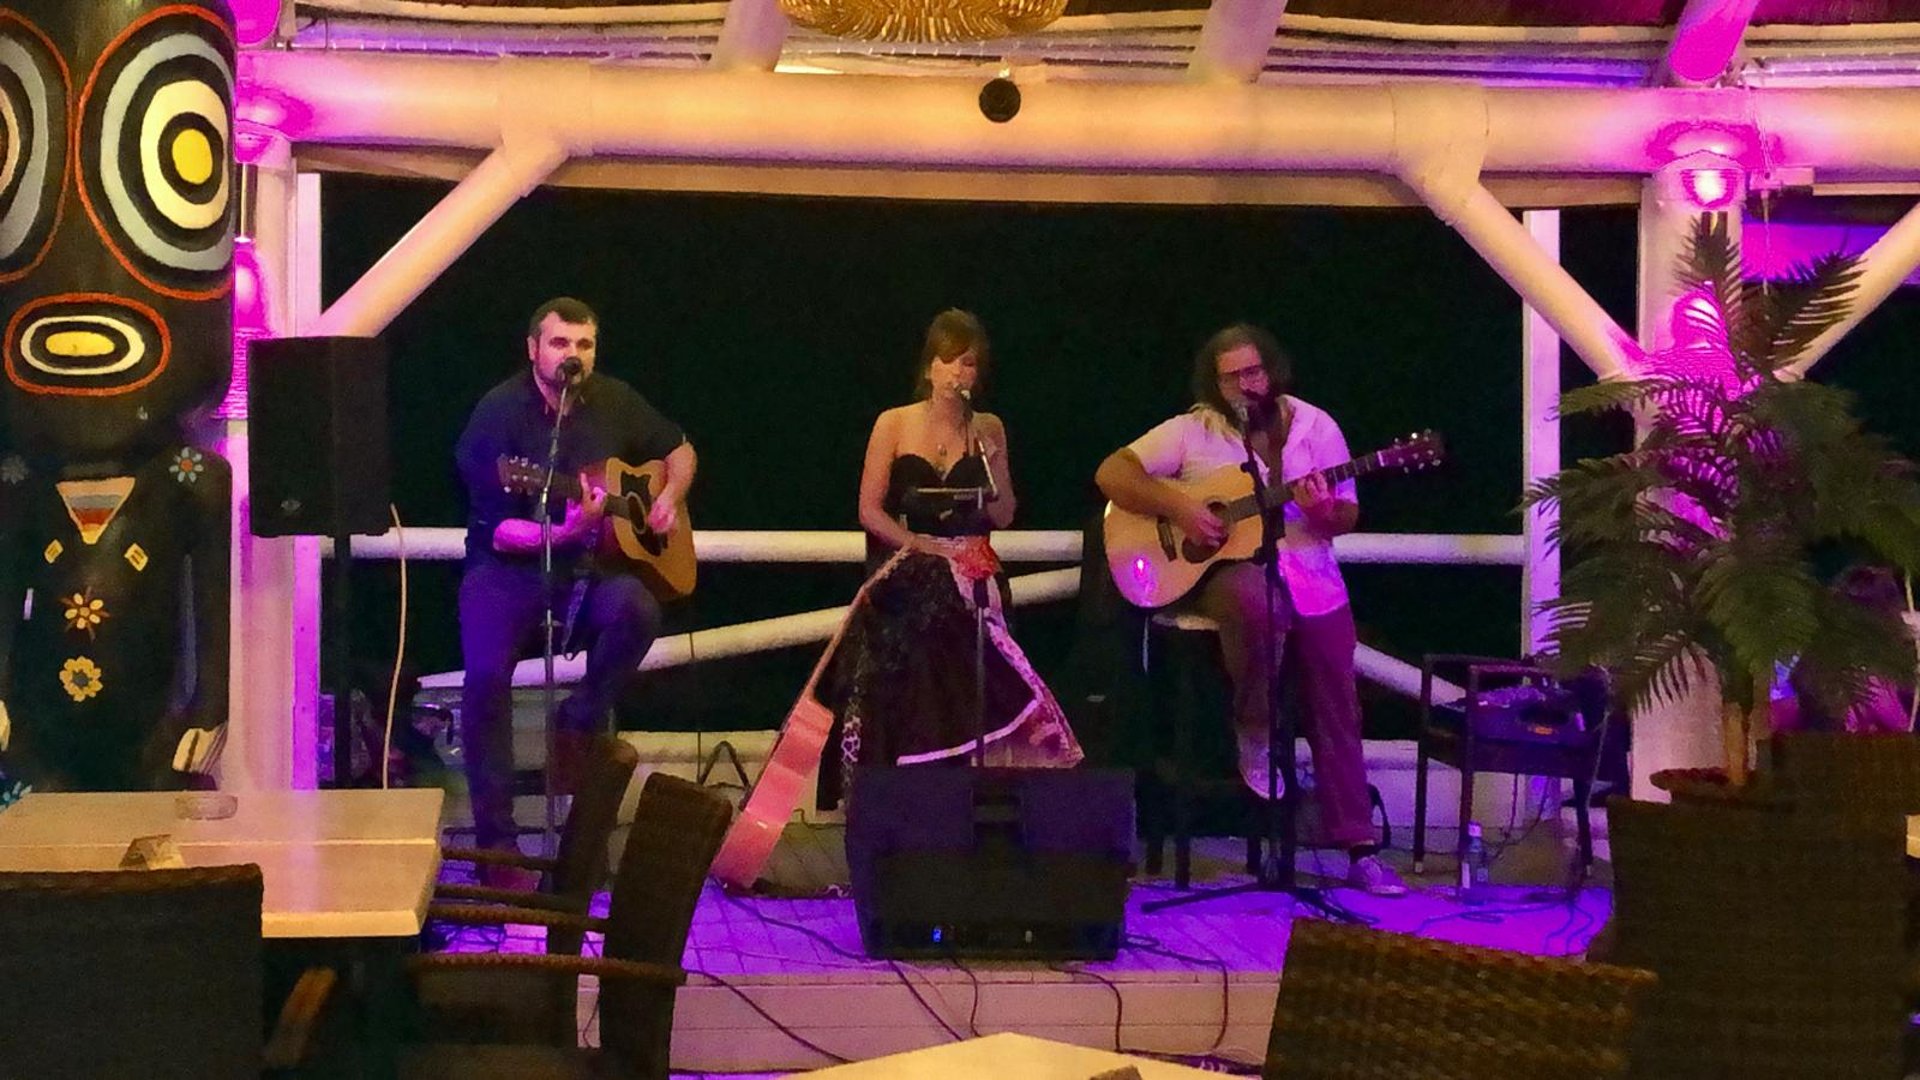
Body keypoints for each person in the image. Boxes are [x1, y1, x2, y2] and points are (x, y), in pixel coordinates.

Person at [1094, 323, 1405, 895]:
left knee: (1338, 698)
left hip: (1311, 578)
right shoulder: (1194, 432)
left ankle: (1359, 848)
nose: (1245, 384)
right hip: (1233, 576)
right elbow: (1112, 472)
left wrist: (1319, 510)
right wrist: (1181, 510)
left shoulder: (1316, 427)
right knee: (1254, 606)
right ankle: (1255, 728)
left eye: (1253, 371)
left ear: (1272, 370)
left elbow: (1345, 518)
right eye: (1232, 376)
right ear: (1214, 384)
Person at [453, 297, 697, 870]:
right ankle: (498, 847)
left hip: (586, 573)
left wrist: (666, 498)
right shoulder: (497, 415)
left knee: (637, 607)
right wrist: (568, 530)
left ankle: (581, 715)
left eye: (584, 345)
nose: (573, 356)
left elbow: (680, 449)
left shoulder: (613, 399)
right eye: (560, 343)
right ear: (534, 349)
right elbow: (504, 532)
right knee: (485, 678)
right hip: (505, 572)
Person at [815, 310, 1081, 804]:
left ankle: (974, 773)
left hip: (971, 560)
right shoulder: (893, 423)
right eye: (951, 362)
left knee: (962, 609)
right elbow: (869, 510)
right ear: (930, 368)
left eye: (970, 366)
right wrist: (921, 545)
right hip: (910, 558)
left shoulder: (989, 427)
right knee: (921, 616)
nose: (960, 375)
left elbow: (1002, 516)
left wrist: (995, 462)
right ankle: (914, 768)